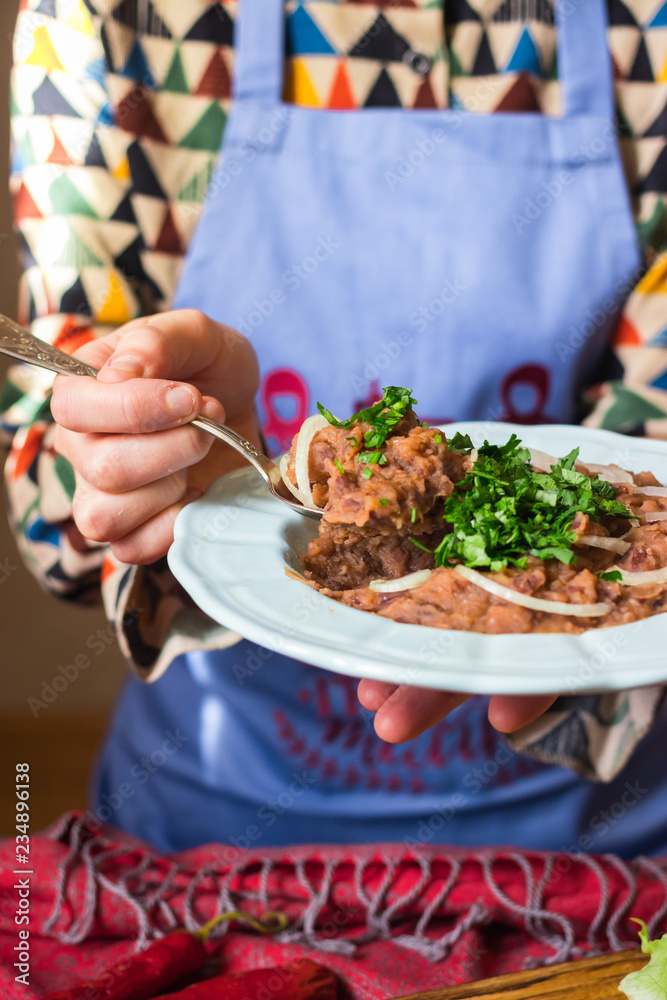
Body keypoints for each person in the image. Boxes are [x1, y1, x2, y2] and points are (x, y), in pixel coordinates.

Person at [3, 0, 667, 856]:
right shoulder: (107, 17)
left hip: (598, 848)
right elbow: (48, 497)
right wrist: (136, 459)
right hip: (213, 834)